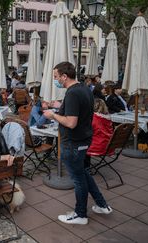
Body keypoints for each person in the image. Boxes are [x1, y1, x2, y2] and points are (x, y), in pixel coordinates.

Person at [43, 62, 112, 225]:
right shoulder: (84, 89)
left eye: (56, 77)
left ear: (64, 76)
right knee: (83, 173)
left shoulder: (73, 93)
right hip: (83, 140)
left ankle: (80, 214)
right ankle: (102, 205)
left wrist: (52, 115)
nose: (55, 80)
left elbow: (71, 122)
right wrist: (58, 106)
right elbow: (78, 111)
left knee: (78, 178)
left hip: (73, 142)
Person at [85, 98, 114, 167]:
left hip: (97, 146)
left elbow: (85, 132)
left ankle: (85, 168)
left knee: (80, 144)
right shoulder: (108, 119)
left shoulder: (94, 118)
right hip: (108, 146)